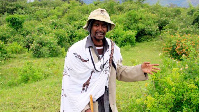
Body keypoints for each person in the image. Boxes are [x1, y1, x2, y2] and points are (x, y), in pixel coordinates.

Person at [60, 8, 160, 112]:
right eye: (96, 25)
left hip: (108, 104)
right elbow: (71, 85)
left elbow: (119, 72)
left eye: (104, 25)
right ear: (90, 27)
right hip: (86, 106)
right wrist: (85, 109)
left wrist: (140, 69)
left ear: (107, 28)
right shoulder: (77, 51)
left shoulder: (112, 48)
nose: (100, 29)